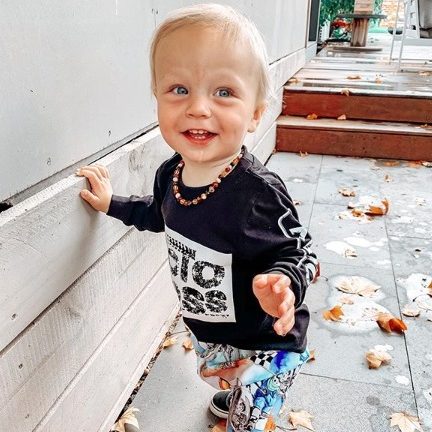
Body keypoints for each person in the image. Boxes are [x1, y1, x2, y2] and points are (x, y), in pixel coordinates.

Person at [76, 4, 318, 431]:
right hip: (215, 329)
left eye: (223, 92)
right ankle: (237, 394)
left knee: (249, 420)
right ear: (157, 97)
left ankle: (246, 409)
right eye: (179, 89)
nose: (198, 108)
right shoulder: (171, 173)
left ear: (256, 113)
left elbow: (301, 251)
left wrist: (284, 284)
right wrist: (112, 203)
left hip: (268, 341)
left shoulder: (256, 193)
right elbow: (157, 213)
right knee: (225, 379)